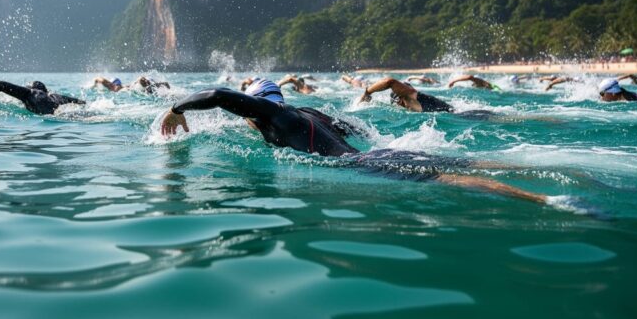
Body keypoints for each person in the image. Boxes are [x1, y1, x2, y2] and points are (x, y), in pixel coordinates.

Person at [159, 79, 548, 204]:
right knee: (464, 165)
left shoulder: (270, 114)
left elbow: (216, 94)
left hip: (362, 164)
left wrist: (176, 109)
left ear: (258, 104)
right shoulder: (306, 112)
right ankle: (547, 169)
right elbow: (357, 129)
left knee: (446, 180)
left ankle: (545, 198)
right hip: (378, 151)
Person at [0, 81, 86, 115]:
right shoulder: (57, 96)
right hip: (59, 113)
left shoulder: (29, 93)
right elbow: (81, 102)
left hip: (44, 113)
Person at [359, 77, 453, 112]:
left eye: (398, 102)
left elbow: (389, 81)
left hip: (458, 115)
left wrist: (367, 93)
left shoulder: (410, 96)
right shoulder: (409, 102)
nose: (399, 105)